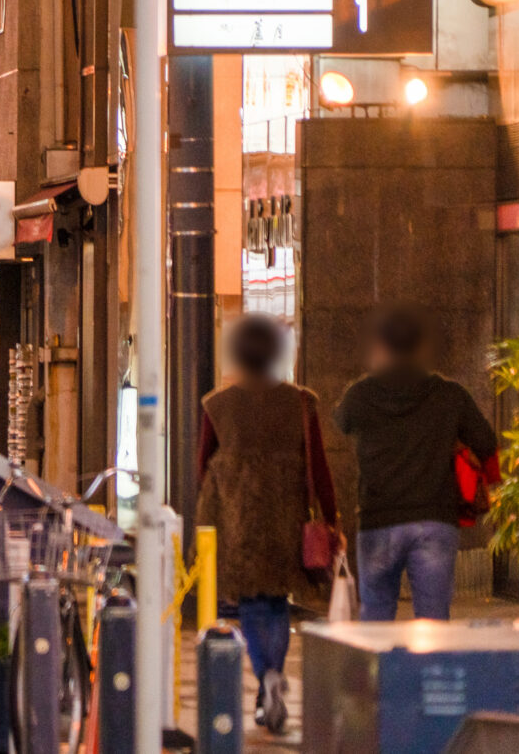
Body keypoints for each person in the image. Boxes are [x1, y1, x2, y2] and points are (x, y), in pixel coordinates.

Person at [198, 313, 336, 732]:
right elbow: (320, 468)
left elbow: (202, 468)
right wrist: (332, 520)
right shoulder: (301, 401)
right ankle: (273, 674)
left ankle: (266, 677)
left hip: (239, 520)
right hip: (287, 519)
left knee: (253, 605)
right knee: (278, 603)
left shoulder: (217, 405)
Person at [333, 306, 497, 622]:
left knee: (377, 616)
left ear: (380, 346)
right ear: (421, 347)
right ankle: (429, 672)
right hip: (434, 520)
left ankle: (378, 672)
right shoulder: (450, 395)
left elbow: (341, 423)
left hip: (378, 519)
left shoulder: (361, 394)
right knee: (433, 618)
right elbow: (486, 443)